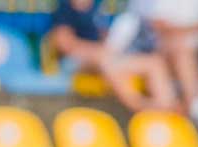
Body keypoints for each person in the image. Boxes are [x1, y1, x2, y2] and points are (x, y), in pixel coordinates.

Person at [46, 0, 180, 113]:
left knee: (153, 62)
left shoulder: (98, 6)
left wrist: (111, 46)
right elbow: (64, 43)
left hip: (106, 58)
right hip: (75, 62)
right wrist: (98, 51)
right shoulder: (65, 7)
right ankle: (140, 106)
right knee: (106, 60)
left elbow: (105, 37)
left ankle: (167, 107)